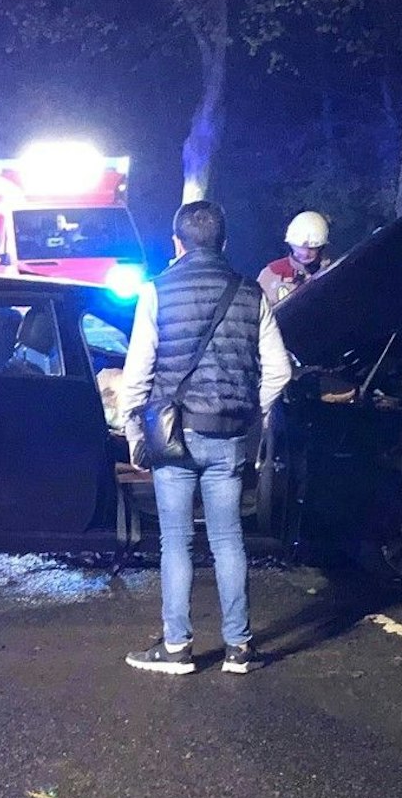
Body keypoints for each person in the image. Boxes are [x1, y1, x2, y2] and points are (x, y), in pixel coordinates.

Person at [120, 200, 292, 674]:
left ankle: (177, 648)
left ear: (177, 243)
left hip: (174, 434)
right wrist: (250, 409)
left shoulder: (156, 292)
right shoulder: (250, 293)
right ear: (224, 242)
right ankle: (239, 648)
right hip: (229, 434)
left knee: (175, 541)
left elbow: (137, 375)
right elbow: (279, 371)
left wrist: (133, 429)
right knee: (228, 539)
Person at [257, 210, 331, 306]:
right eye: (299, 247)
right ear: (291, 243)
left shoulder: (332, 270)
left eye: (312, 248)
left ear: (321, 247)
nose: (305, 253)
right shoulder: (271, 274)